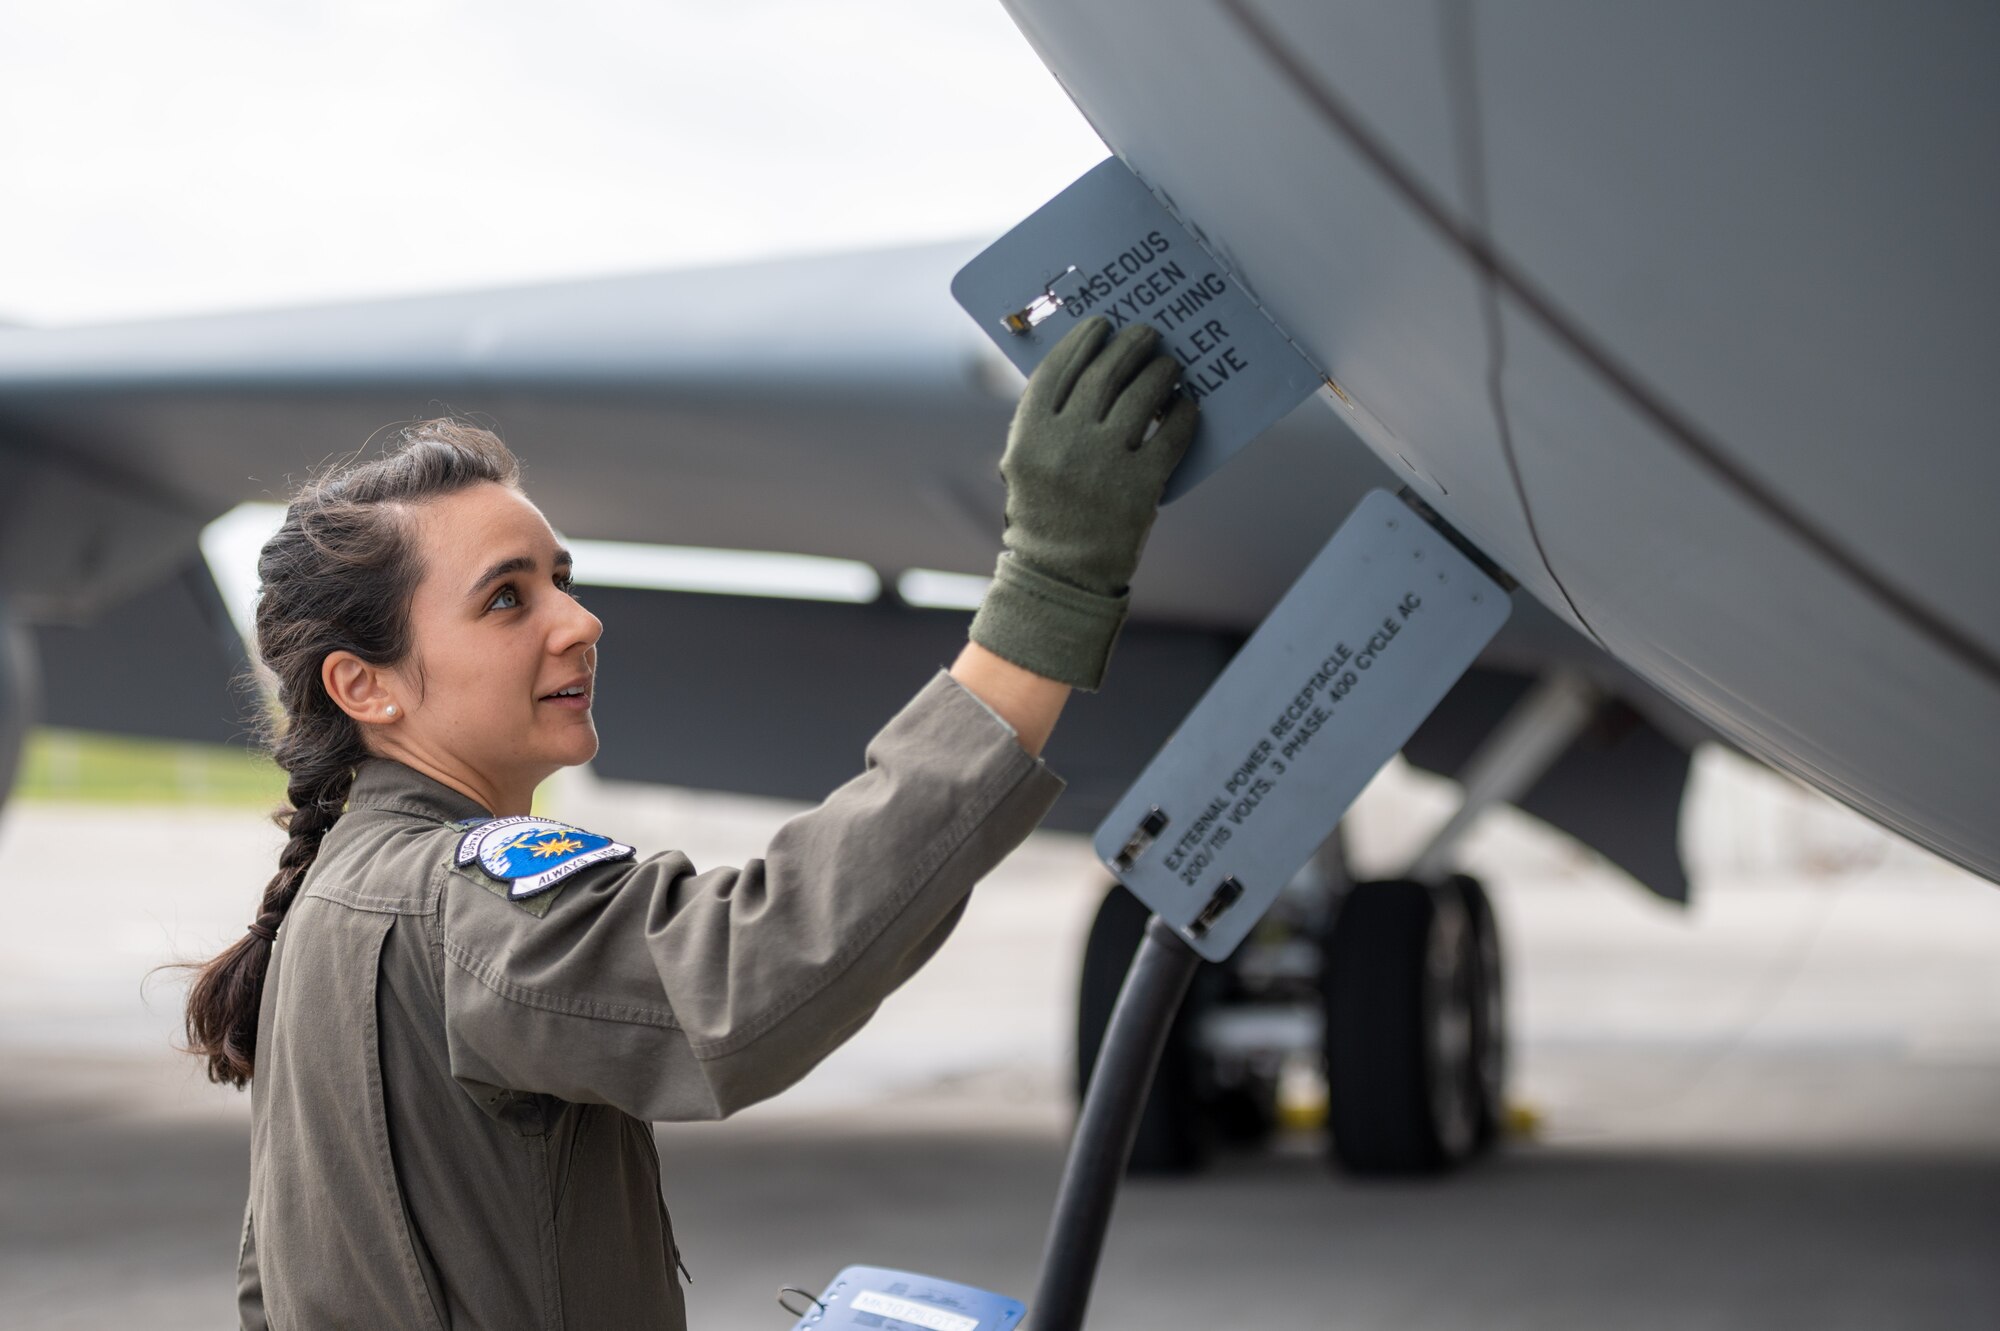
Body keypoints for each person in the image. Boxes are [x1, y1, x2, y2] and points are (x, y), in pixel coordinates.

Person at [180, 315, 1196, 1329]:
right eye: (505, 598)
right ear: (365, 686)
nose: (578, 622)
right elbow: (750, 968)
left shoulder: (331, 901)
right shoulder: (458, 902)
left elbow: (271, 1289)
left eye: (561, 580)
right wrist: (1049, 585)